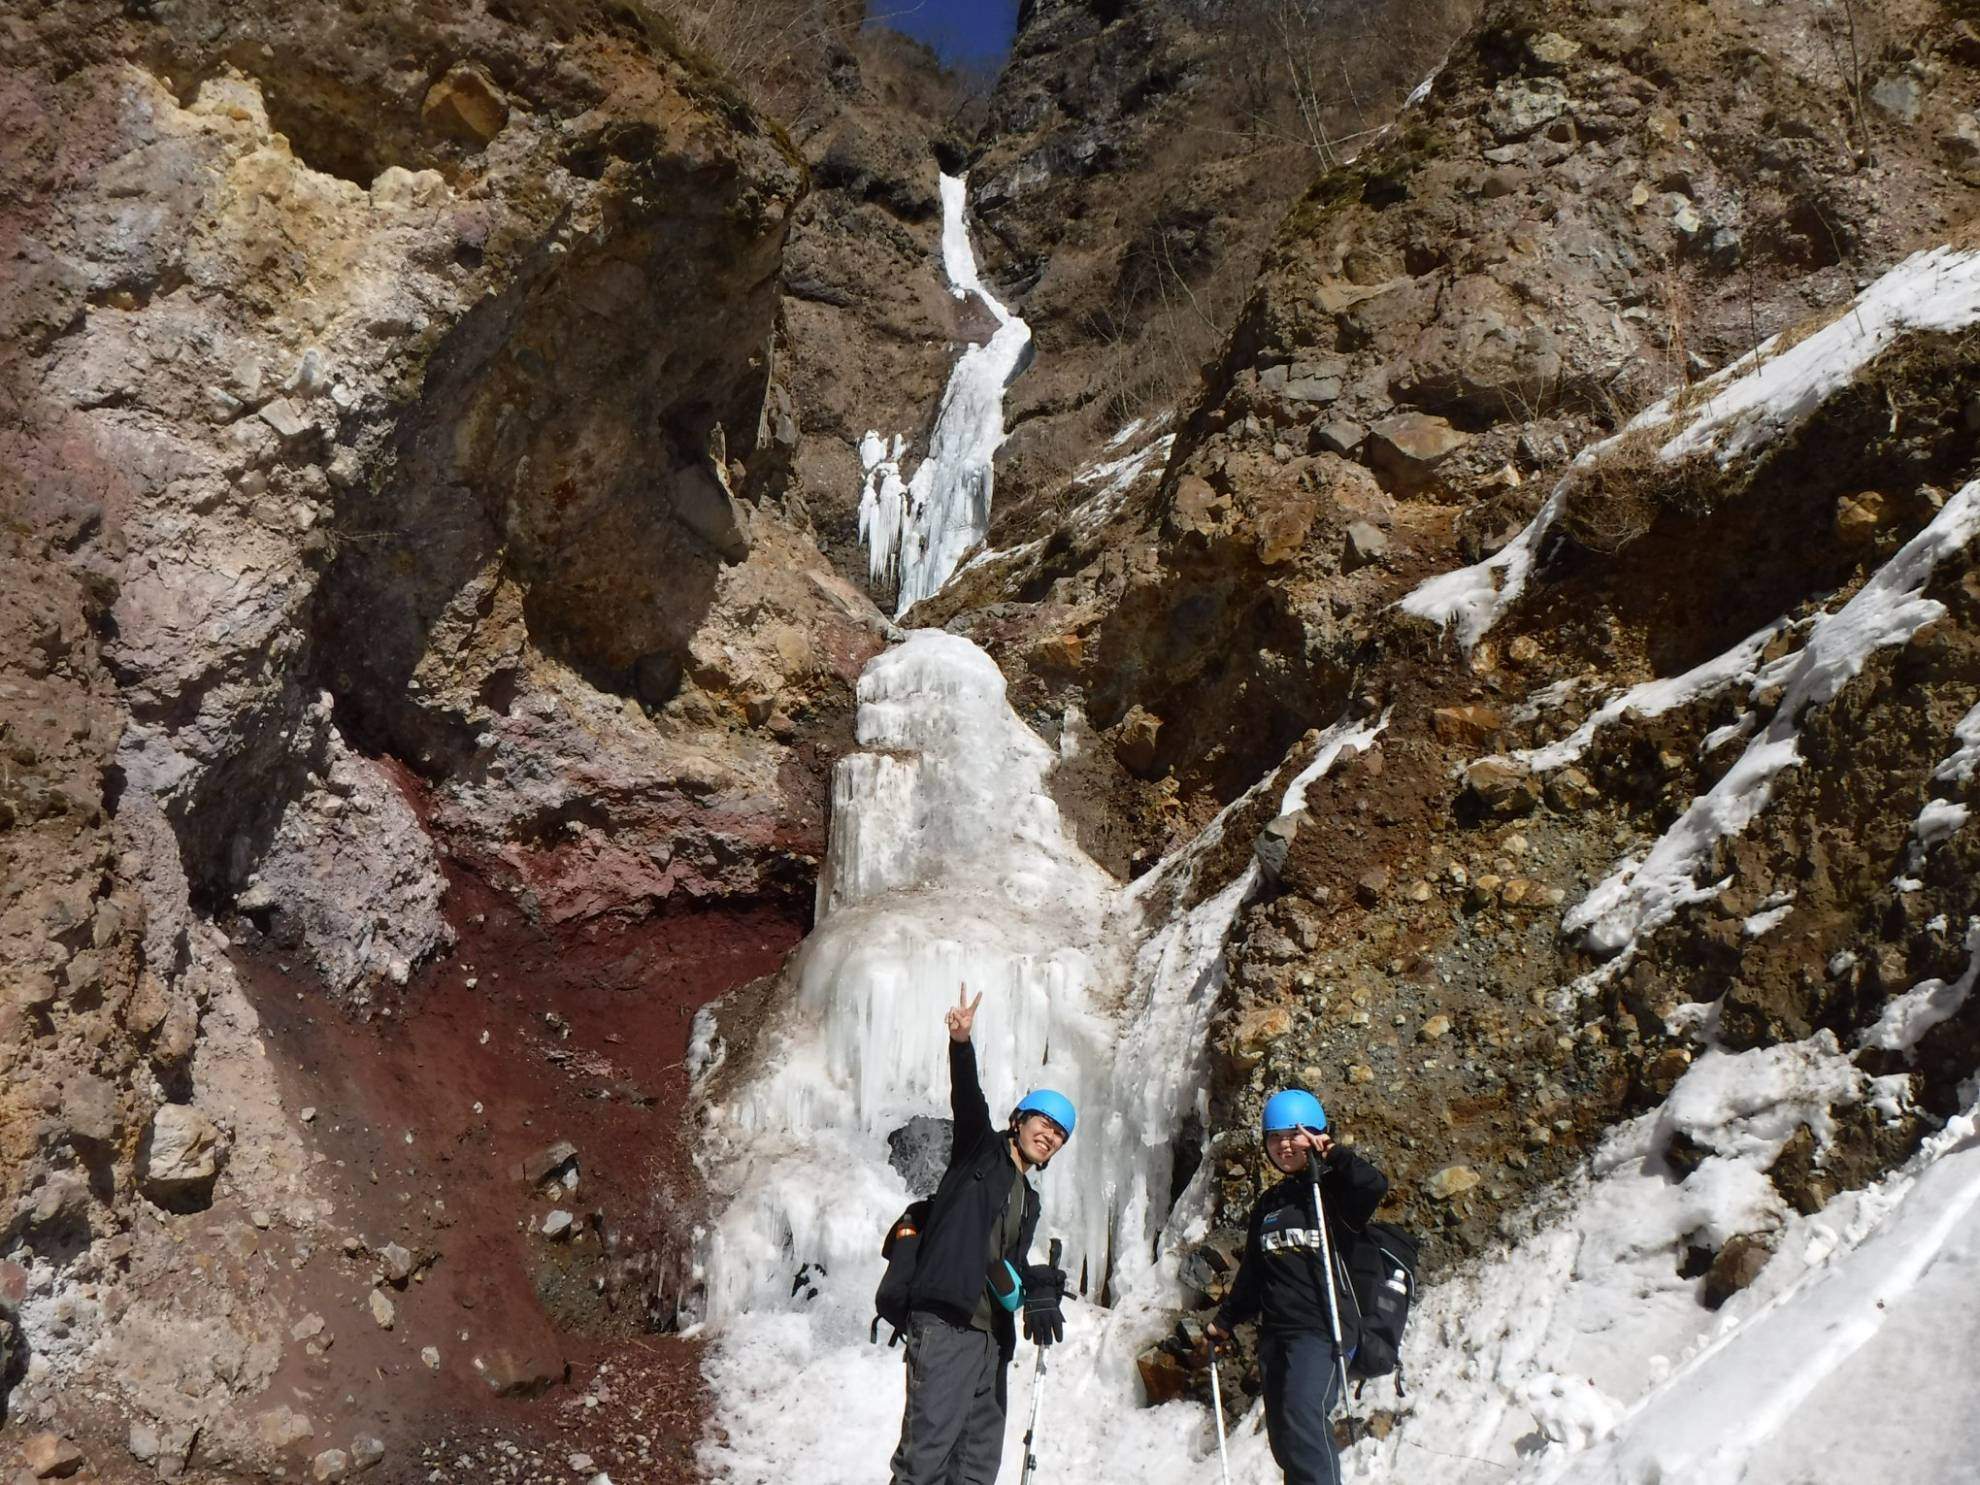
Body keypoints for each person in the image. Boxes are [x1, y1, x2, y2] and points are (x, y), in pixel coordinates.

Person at [888, 984, 1075, 1485]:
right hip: (947, 1325)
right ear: (1018, 1121)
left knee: (975, 1469)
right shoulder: (980, 1151)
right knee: (925, 1461)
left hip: (992, 1339)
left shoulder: (1028, 1198)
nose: (1050, 1135)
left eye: (1059, 1133)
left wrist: (1039, 1286)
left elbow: (1004, 1264)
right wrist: (961, 1043)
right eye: (1044, 1122)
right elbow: (968, 1098)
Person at [1203, 1089, 1388, 1485]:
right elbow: (1253, 1274)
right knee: (1286, 1439)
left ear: (1315, 1135)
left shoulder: (1334, 1193)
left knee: (1304, 1416)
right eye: (1275, 1137)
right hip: (1277, 1335)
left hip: (1323, 1329)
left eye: (1295, 1135)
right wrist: (1225, 1321)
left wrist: (1332, 1153)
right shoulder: (1269, 1204)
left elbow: (1373, 1185)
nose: (1284, 1145)